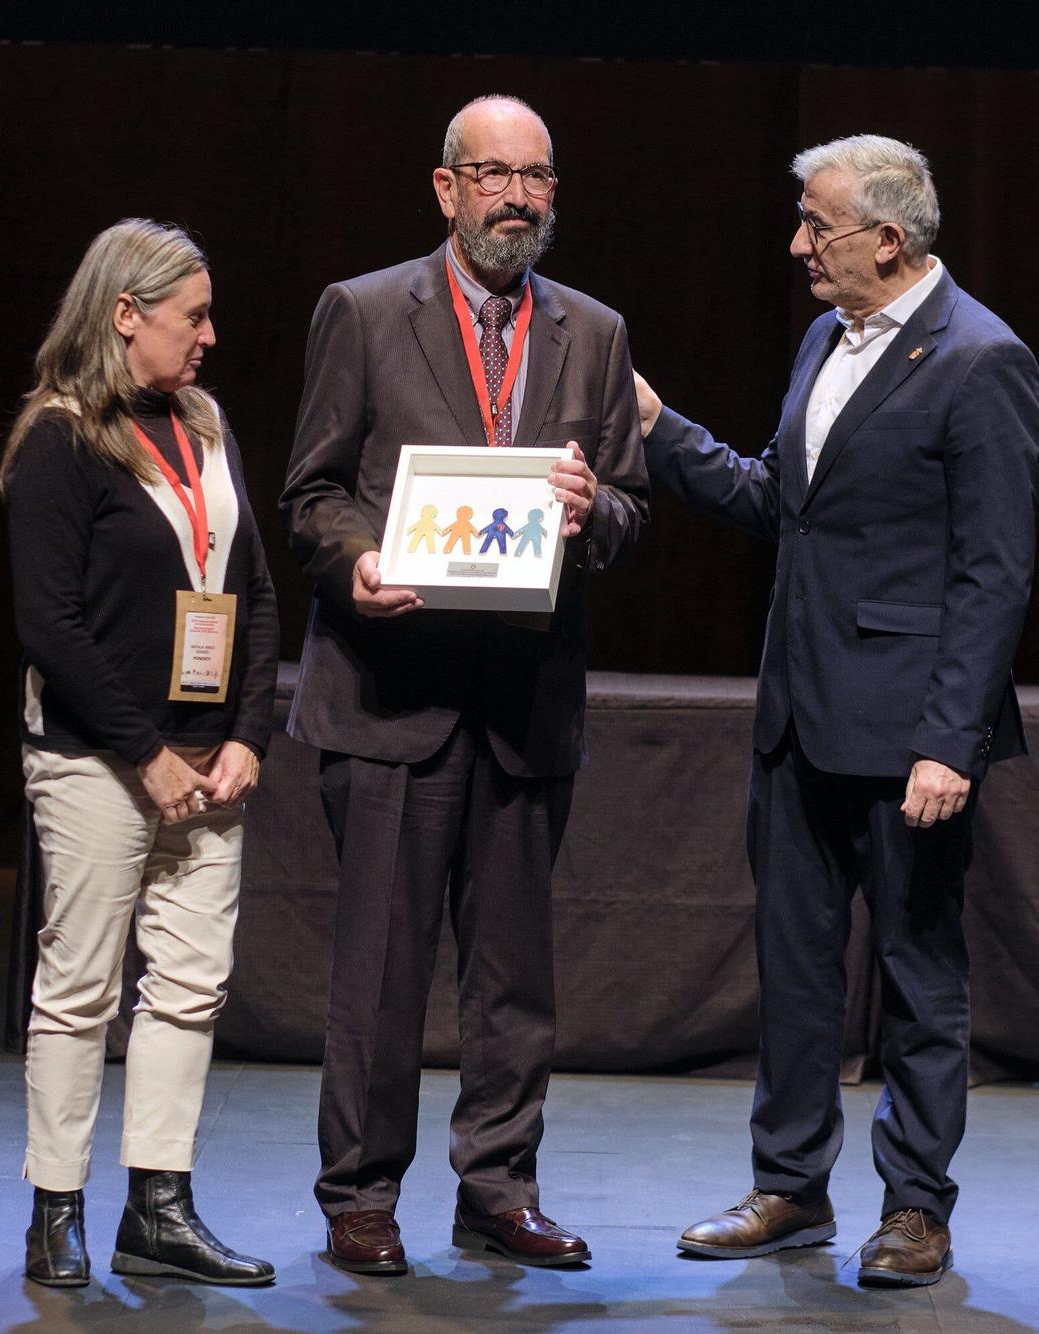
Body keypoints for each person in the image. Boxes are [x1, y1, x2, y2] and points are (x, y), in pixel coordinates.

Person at [634, 135, 1039, 1287]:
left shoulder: (980, 358)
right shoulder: (826, 337)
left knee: (917, 972)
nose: (796, 245)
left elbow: (992, 571)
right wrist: (660, 426)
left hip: (908, 730)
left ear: (885, 238)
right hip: (798, 716)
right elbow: (783, 500)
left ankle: (914, 1205)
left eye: (814, 225)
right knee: (796, 967)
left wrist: (946, 739)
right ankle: (789, 1186)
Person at [279, 94, 648, 1275]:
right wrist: (360, 562)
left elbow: (631, 510)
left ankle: (497, 1185)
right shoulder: (367, 310)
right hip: (392, 696)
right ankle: (360, 1195)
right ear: (446, 189)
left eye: (535, 176)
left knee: (514, 981)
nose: (515, 197)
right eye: (491, 174)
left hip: (524, 703)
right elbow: (311, 495)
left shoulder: (591, 330)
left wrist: (598, 516)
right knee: (380, 976)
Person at [0, 218, 279, 1288]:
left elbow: (250, 591)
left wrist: (249, 730)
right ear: (126, 314)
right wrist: (144, 750)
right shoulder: (58, 440)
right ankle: (55, 1209)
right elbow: (50, 624)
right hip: (95, 758)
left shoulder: (205, 426)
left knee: (189, 985)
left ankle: (157, 1206)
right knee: (78, 986)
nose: (208, 335)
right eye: (191, 315)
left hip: (208, 758)